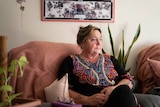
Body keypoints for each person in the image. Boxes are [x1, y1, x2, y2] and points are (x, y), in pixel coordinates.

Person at [58, 24, 139, 107]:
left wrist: (113, 89)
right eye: (94, 39)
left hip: (117, 98)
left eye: (100, 39)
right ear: (82, 43)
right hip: (90, 103)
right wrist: (87, 100)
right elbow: (62, 89)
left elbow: (128, 79)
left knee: (123, 90)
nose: (99, 43)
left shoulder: (110, 59)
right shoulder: (71, 61)